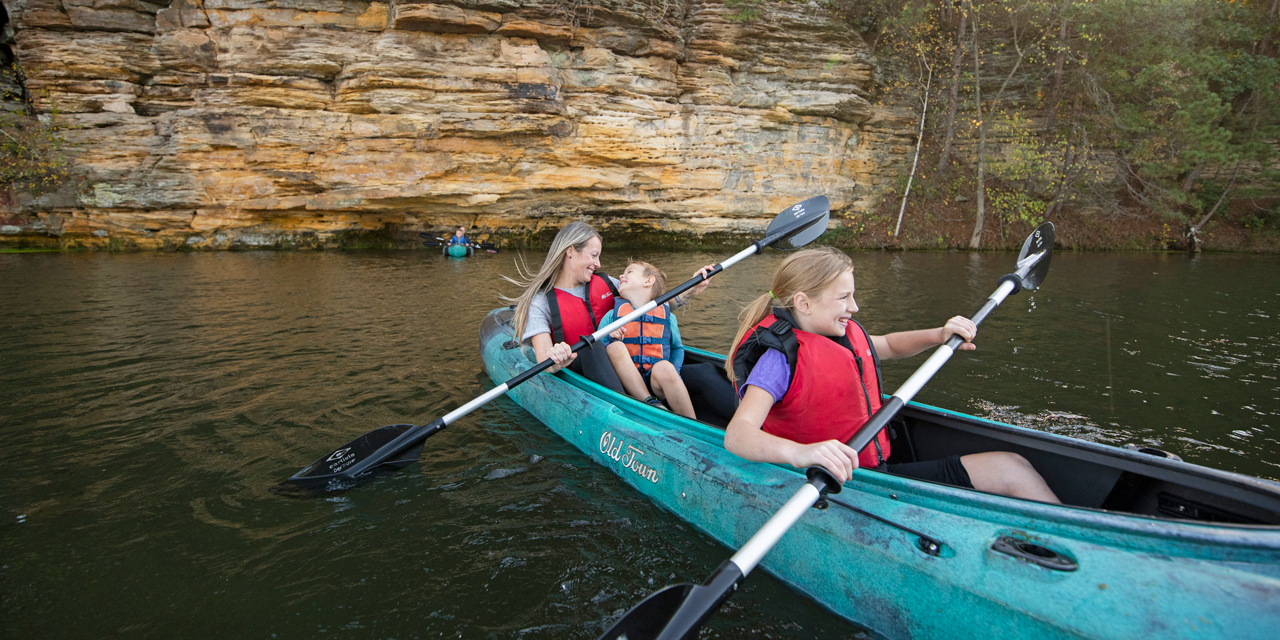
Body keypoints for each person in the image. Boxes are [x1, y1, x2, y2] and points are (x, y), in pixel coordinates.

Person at [723, 247, 1060, 503]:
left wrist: (938, 335)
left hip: (877, 468)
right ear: (804, 303)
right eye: (844, 297)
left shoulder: (842, 335)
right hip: (839, 483)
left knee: (1013, 467)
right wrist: (801, 453)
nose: (854, 307)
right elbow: (738, 435)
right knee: (1012, 470)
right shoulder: (779, 359)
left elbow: (888, 345)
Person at [504, 222, 712, 395]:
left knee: (705, 372)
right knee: (591, 346)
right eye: (594, 255)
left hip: (633, 366)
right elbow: (545, 361)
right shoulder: (540, 301)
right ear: (570, 252)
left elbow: (651, 308)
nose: (598, 263)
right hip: (589, 375)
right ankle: (637, 407)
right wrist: (557, 355)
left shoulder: (608, 284)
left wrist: (688, 292)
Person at [597, 261, 697, 419]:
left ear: (648, 281)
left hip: (654, 381)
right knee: (614, 347)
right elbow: (597, 351)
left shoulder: (668, 317)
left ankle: (693, 424)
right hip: (624, 381)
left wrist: (673, 374)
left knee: (665, 366)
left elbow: (677, 349)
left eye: (629, 272)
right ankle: (649, 403)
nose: (621, 275)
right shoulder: (612, 316)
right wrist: (610, 338)